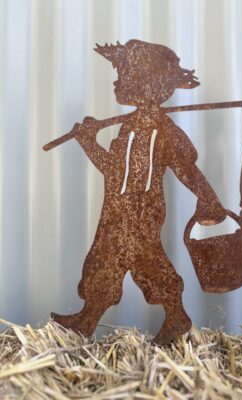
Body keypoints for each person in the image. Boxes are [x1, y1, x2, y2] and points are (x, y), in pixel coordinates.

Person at [51, 40, 226, 345]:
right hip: (118, 210)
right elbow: (113, 171)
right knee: (111, 260)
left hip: (141, 212)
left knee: (132, 262)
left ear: (146, 82)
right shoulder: (130, 126)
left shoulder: (161, 129)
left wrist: (209, 199)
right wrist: (89, 141)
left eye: (125, 74)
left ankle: (171, 317)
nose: (118, 80)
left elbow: (186, 168)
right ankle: (91, 319)